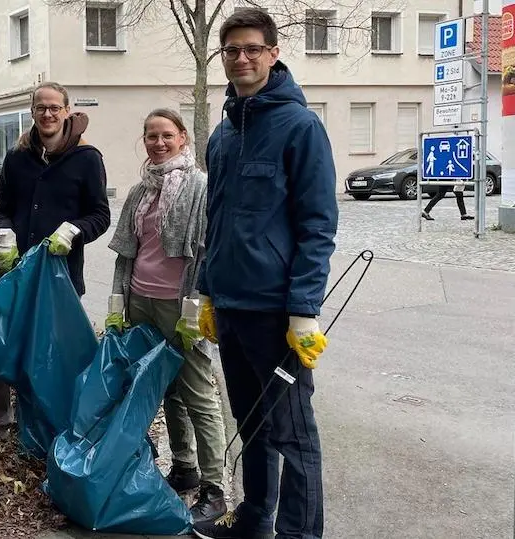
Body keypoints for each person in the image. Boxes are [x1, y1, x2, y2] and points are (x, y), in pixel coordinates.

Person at [192, 9, 338, 539]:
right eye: (232, 50)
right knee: (251, 424)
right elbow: (218, 220)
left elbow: (318, 225)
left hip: (277, 313)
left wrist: (304, 310)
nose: (242, 58)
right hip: (230, 308)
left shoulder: (300, 127)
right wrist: (208, 292)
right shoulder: (225, 133)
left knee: (293, 435)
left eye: (252, 48)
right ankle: (254, 521)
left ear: (273, 54)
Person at [105, 108, 227, 523]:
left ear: (183, 139)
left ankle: (216, 486)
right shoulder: (141, 192)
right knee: (164, 387)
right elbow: (127, 250)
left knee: (198, 392)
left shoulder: (199, 187)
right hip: (141, 300)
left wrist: (197, 307)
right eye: (151, 136)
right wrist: (117, 302)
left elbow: (209, 251)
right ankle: (185, 466)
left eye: (167, 136)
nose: (158, 143)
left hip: (180, 303)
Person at [0, 81, 112, 435]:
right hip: (15, 271)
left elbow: (100, 215)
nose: (48, 113)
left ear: (67, 110)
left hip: (61, 276)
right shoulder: (17, 156)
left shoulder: (87, 158)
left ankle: (48, 421)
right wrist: (5, 234)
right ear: (32, 112)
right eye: (41, 107)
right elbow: (1, 209)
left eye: (55, 107)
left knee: (51, 351)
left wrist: (73, 231)